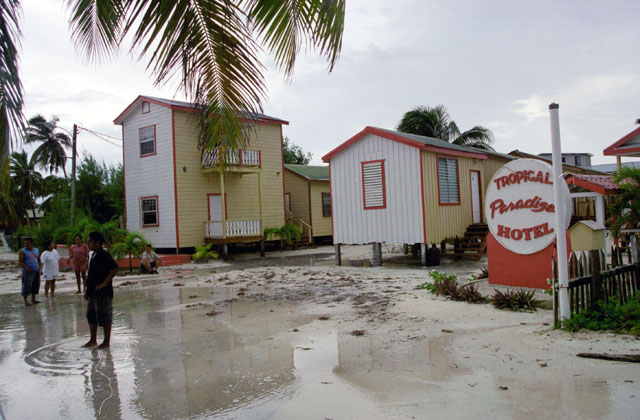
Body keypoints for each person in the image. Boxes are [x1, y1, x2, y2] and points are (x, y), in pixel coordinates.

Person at [82, 231, 119, 349]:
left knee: (105, 316)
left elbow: (115, 269)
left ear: (97, 243)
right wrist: (87, 291)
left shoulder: (104, 254)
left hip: (104, 293)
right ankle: (93, 340)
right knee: (91, 316)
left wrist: (104, 283)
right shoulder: (93, 255)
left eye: (90, 241)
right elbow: (91, 274)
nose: (88, 243)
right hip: (93, 292)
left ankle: (106, 342)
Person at [18, 237, 42, 306]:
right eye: (25, 243)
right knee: (26, 285)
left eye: (27, 243)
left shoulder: (36, 250)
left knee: (36, 285)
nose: (26, 244)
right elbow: (21, 262)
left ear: (31, 243)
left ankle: (33, 299)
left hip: (36, 270)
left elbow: (39, 260)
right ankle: (26, 301)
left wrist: (40, 269)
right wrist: (26, 269)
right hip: (28, 271)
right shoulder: (22, 251)